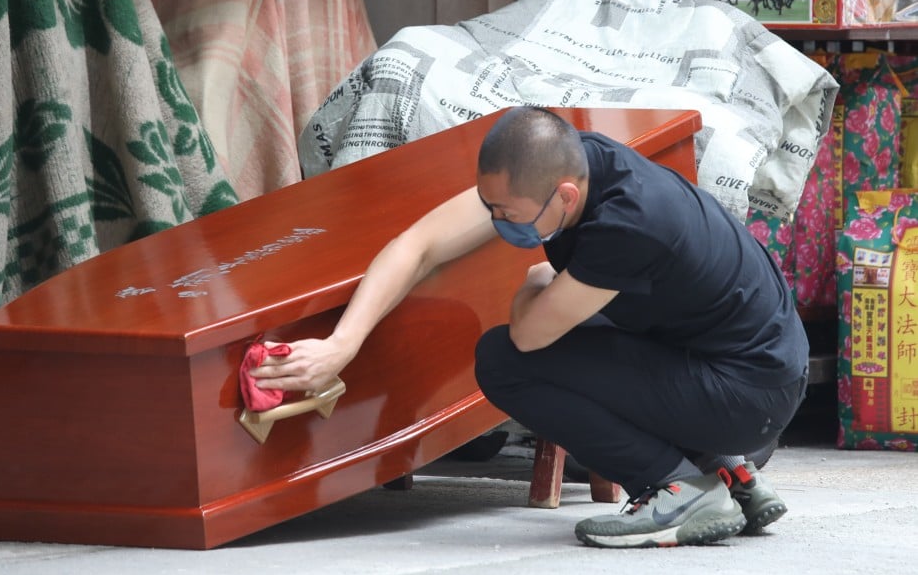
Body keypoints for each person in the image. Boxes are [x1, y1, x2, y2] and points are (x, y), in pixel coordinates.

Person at [250, 106, 809, 549]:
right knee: (594, 326)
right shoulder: (570, 167)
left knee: (505, 361)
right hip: (737, 366)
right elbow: (416, 246)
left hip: (750, 394)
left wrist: (535, 284)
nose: (496, 224)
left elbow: (528, 337)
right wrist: (341, 345)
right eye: (490, 207)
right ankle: (726, 473)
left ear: (564, 196)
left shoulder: (630, 223)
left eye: (508, 216)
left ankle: (680, 487)